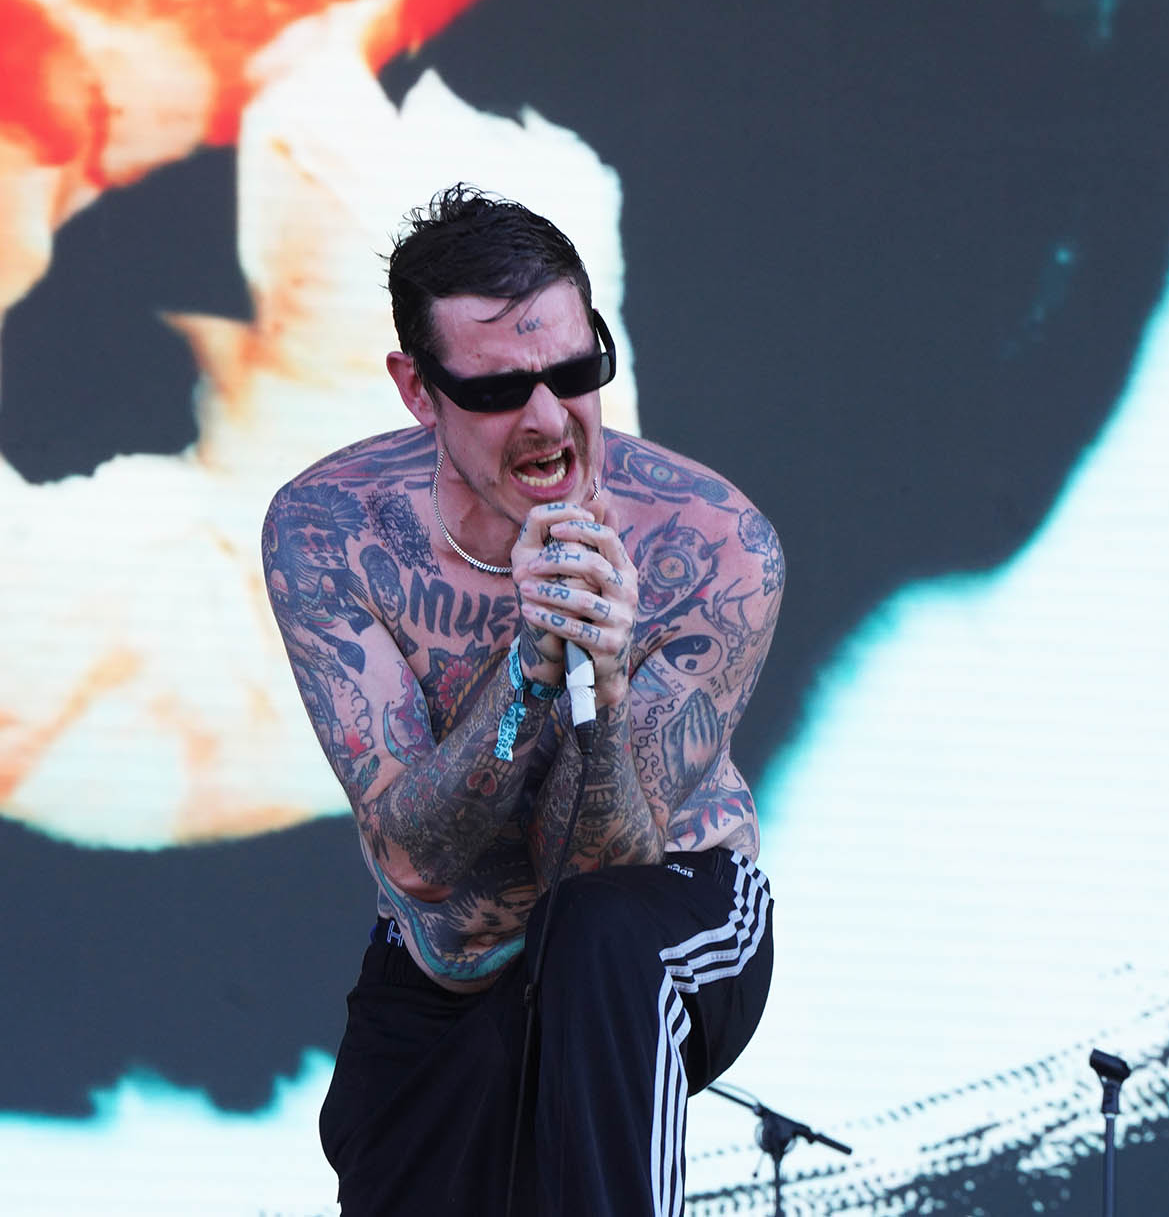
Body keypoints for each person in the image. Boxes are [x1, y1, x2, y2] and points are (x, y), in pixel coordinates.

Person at [263, 185, 783, 1216]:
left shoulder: (714, 544)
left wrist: (603, 685)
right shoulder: (333, 530)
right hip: (448, 959)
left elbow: (594, 870)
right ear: (419, 390)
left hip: (665, 908)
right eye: (501, 390)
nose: (549, 420)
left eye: (574, 374)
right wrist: (527, 672)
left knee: (594, 936)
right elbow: (414, 860)